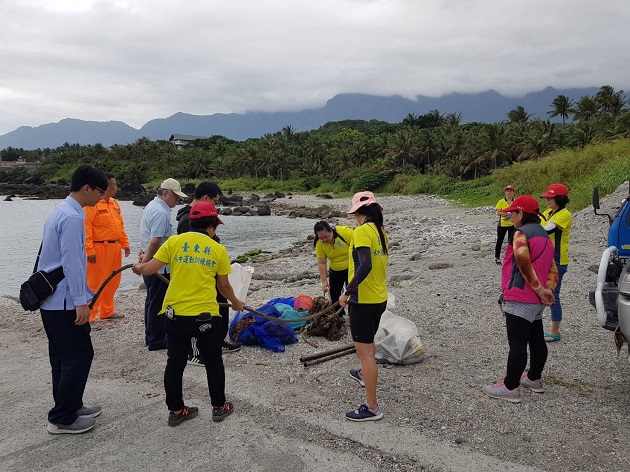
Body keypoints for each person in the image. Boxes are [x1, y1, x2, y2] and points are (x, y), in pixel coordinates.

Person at [132, 201, 245, 427]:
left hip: (174, 315)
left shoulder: (173, 242)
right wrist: (236, 303)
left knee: (175, 362)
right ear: (212, 226)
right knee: (213, 361)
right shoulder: (217, 249)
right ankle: (219, 407)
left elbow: (149, 269)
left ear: (191, 222)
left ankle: (176, 411)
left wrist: (137, 266)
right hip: (206, 316)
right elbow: (224, 287)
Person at [39, 165, 109, 434]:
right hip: (65, 302)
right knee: (79, 356)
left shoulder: (60, 211)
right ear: (86, 188)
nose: (102, 198)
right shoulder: (71, 218)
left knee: (62, 356)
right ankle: (62, 417)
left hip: (53, 301)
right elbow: (72, 263)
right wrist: (82, 301)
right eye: (100, 192)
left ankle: (71, 404)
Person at [483, 195, 558, 402]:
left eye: (513, 213)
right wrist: (548, 289)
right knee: (535, 338)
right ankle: (533, 378)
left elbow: (524, 264)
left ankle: (510, 386)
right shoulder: (544, 234)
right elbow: (552, 267)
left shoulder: (520, 234)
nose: (510, 216)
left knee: (517, 343)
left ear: (521, 214)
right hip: (536, 299)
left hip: (521, 295)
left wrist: (539, 289)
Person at [176, 181, 242, 365]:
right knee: (200, 315)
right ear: (206, 198)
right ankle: (196, 352)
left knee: (219, 305)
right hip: (198, 279)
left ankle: (217, 341)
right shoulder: (187, 221)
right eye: (215, 201)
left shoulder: (199, 220)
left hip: (210, 272)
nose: (216, 206)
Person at [338, 191, 388, 422]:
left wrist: (347, 292)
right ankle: (362, 374)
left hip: (363, 301)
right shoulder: (381, 233)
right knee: (368, 346)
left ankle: (372, 407)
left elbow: (365, 265)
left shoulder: (361, 232)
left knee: (365, 353)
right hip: (379, 298)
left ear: (357, 212)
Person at [139, 178, 187, 351]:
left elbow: (148, 238)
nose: (178, 201)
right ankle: (156, 339)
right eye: (176, 197)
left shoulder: (152, 206)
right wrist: (147, 262)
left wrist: (145, 258)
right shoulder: (160, 211)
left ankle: (151, 335)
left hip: (151, 261)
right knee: (158, 301)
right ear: (166, 193)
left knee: (152, 300)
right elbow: (155, 241)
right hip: (158, 265)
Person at [84, 173, 131, 322]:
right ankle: (90, 315)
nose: (116, 187)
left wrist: (125, 243)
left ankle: (107, 311)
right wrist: (89, 250)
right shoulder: (92, 205)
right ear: (105, 187)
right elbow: (86, 229)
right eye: (114, 185)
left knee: (113, 280)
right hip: (99, 248)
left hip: (114, 247)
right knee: (95, 282)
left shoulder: (114, 204)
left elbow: (120, 226)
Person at [541, 183, 572, 343]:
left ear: (559, 199)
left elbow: (547, 230)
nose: (547, 201)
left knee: (554, 294)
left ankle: (555, 331)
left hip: (558, 260)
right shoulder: (548, 212)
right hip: (545, 258)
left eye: (550, 198)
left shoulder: (564, 214)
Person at [313, 220, 354, 315]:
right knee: (334, 295)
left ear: (331, 230)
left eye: (326, 236)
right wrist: (324, 281)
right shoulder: (319, 244)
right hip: (335, 270)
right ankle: (339, 316)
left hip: (351, 268)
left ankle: (353, 314)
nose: (324, 240)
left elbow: (359, 249)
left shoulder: (345, 233)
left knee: (352, 293)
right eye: (321, 238)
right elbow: (322, 262)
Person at [494, 185, 516, 265]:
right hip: (502, 224)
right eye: (507, 191)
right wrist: (504, 213)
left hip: (512, 224)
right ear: (505, 192)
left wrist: (512, 214)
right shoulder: (501, 201)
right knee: (500, 240)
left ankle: (511, 257)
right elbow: (498, 212)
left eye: (510, 191)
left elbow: (518, 211)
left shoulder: (515, 201)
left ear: (513, 192)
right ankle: (497, 257)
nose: (508, 193)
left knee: (512, 241)